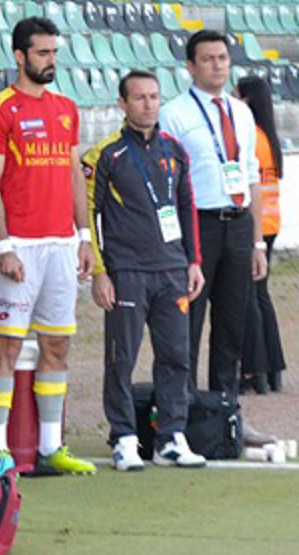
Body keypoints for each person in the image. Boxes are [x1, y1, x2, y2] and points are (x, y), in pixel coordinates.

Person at [0, 17, 95, 475]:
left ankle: (51, 446)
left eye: (54, 53)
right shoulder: (0, 109)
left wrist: (84, 237)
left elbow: (73, 176)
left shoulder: (66, 108)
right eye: (42, 53)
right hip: (21, 246)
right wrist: (4, 246)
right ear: (19, 56)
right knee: (8, 346)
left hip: (61, 245)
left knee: (57, 345)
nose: (51, 61)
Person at [84, 70, 208, 470]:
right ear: (122, 104)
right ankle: (123, 437)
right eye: (139, 97)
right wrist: (100, 271)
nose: (149, 104)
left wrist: (193, 261)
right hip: (127, 272)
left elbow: (187, 206)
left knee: (176, 356)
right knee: (121, 358)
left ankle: (171, 437)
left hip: (172, 270)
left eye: (154, 96)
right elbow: (88, 215)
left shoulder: (175, 149)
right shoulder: (105, 154)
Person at [158, 30, 267, 394]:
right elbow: (167, 182)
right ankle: (182, 405)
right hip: (197, 226)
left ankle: (223, 405)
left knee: (233, 321)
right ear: (191, 66)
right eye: (208, 59)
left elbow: (251, 176)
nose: (217, 65)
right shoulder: (174, 114)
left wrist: (258, 243)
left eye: (222, 58)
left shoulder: (242, 112)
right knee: (188, 320)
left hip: (238, 224)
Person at [235, 74, 284, 395]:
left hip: (253, 225)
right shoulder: (268, 136)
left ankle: (255, 369)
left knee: (249, 298)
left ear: (247, 100)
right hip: (270, 223)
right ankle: (272, 368)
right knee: (261, 296)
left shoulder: (249, 134)